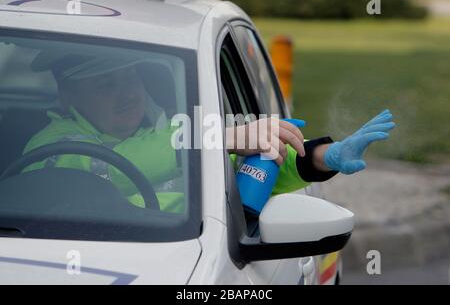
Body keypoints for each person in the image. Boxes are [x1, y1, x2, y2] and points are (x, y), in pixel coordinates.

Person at [25, 55, 395, 213]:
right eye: (107, 85)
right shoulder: (51, 147)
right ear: (68, 96)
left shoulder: (171, 126)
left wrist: (321, 156)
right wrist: (221, 134)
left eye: (131, 78)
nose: (128, 93)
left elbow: (248, 171)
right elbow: (117, 165)